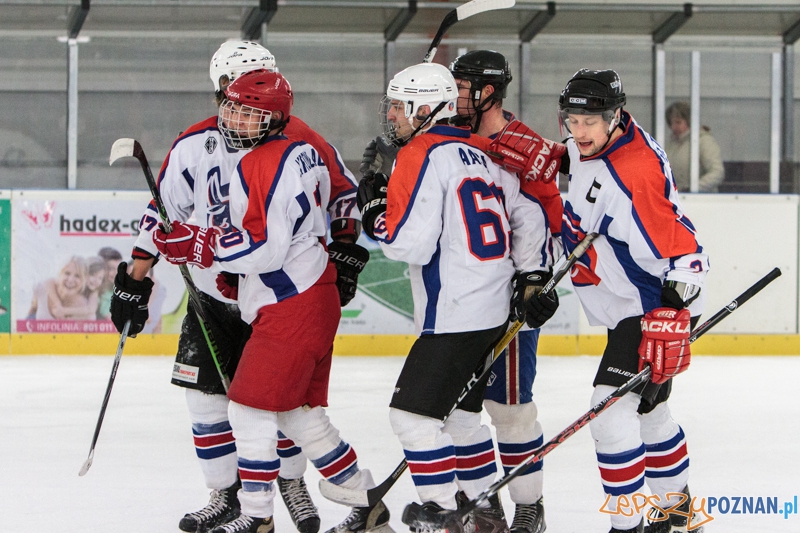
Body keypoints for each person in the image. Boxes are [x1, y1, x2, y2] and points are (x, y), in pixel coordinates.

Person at [109, 40, 367, 533]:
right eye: (233, 87)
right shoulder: (194, 143)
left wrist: (345, 249)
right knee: (207, 401)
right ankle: (226, 495)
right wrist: (135, 280)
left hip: (272, 292)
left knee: (279, 403)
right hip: (216, 291)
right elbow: (162, 211)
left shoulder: (300, 143)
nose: (240, 98)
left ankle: (288, 484)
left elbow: (342, 197)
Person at [357, 62, 553, 533]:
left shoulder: (420, 153)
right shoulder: (484, 150)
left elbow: (406, 243)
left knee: (411, 417)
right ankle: (485, 512)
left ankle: (443, 511)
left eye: (400, 106)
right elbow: (529, 212)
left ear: (426, 109)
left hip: (454, 314)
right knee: (462, 420)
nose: (392, 116)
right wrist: (532, 272)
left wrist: (376, 207)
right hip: (492, 310)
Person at [542, 69, 709, 533]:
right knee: (650, 414)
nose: (579, 132)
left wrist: (672, 312)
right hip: (629, 304)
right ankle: (677, 510)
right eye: (572, 121)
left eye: (589, 122)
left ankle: (628, 524)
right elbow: (580, 163)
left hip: (651, 307)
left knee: (609, 414)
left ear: (615, 117)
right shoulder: (601, 144)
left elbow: (687, 251)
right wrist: (550, 154)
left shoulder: (633, 173)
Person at [446, 49, 568, 533]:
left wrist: (534, 276)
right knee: (456, 408)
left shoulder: (526, 147)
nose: (453, 95)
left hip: (512, 292)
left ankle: (529, 507)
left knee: (510, 409)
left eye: (461, 87)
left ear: (488, 92)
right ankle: (483, 503)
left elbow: (544, 216)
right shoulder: (450, 138)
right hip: (461, 299)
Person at [663, 101, 724, 193]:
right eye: (671, 123)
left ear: (689, 121)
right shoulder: (670, 145)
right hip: (677, 197)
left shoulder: (703, 141)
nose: (673, 127)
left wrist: (694, 189)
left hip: (701, 199)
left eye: (678, 122)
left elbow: (717, 172)